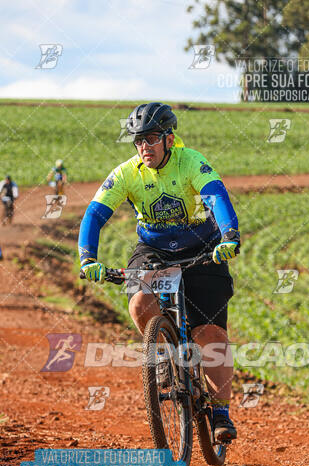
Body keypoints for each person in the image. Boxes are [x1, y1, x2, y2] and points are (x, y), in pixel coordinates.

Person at [78, 102, 240, 441]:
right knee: (139, 303)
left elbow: (216, 196)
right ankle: (165, 354)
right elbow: (95, 214)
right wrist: (87, 257)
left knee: (209, 335)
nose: (144, 147)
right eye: (138, 141)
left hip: (202, 248)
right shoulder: (128, 173)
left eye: (151, 139)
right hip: (154, 251)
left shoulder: (191, 161)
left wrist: (229, 237)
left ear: (169, 138)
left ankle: (221, 413)